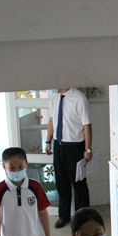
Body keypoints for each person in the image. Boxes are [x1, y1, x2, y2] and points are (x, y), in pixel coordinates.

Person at [45, 88, 93, 228]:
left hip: (75, 147)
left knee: (79, 185)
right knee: (61, 183)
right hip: (58, 145)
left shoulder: (79, 98)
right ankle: (63, 216)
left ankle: (82, 219)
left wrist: (88, 149)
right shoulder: (54, 98)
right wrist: (48, 141)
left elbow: (87, 125)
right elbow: (51, 121)